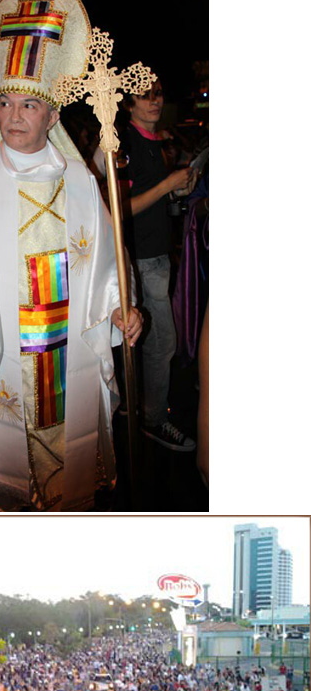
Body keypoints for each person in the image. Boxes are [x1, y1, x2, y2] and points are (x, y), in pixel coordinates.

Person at [0, 0, 144, 512]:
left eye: (29, 104)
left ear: (52, 116)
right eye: (4, 102)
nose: (13, 115)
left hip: (72, 352)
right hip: (10, 361)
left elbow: (111, 266)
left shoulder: (85, 184)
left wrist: (120, 308)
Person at [113, 76, 198, 451]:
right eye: (144, 94)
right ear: (129, 103)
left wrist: (179, 186)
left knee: (148, 340)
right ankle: (153, 419)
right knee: (161, 341)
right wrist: (166, 188)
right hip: (142, 257)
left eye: (158, 92)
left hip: (157, 252)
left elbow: (153, 198)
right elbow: (118, 208)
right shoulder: (124, 143)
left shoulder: (155, 142)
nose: (154, 100)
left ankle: (138, 406)